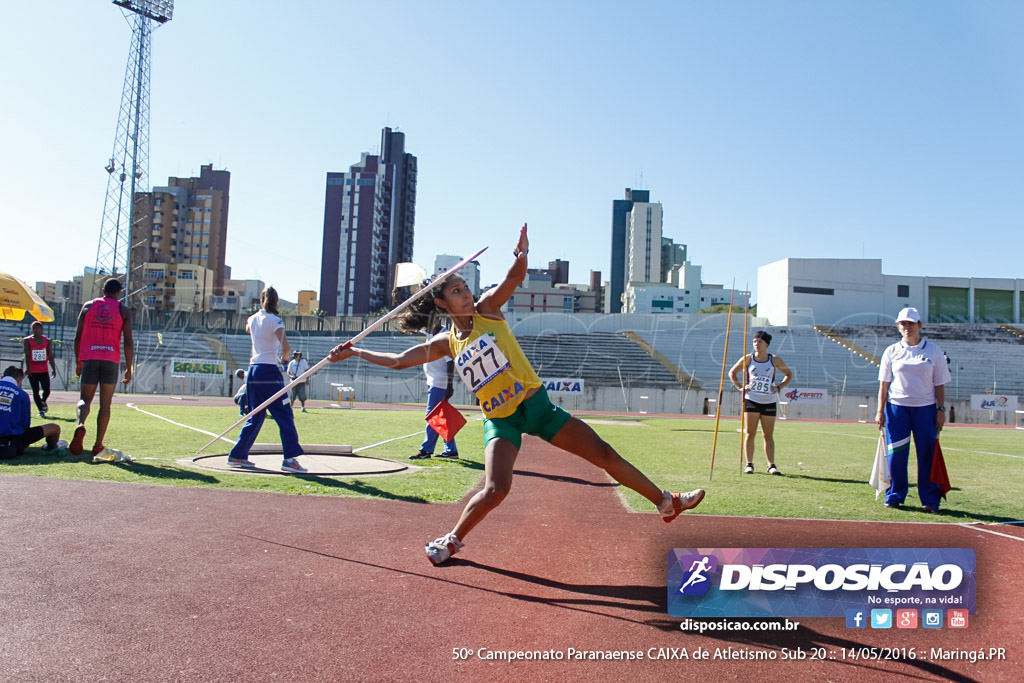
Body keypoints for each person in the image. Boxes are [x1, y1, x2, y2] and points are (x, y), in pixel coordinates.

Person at [328, 224, 705, 565]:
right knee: (496, 489)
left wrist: (521, 253)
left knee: (604, 453)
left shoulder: (488, 312)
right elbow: (398, 361)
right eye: (457, 291)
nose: (466, 293)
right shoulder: (447, 342)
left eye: (465, 287)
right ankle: (453, 540)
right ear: (441, 302)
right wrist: (356, 351)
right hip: (500, 420)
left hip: (538, 408)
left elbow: (513, 278)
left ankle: (665, 502)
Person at [875, 307, 951, 512]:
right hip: (897, 409)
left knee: (926, 454)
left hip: (925, 409)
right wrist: (880, 411)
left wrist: (941, 409)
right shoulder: (891, 351)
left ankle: (930, 499)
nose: (906, 327)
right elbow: (884, 384)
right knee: (896, 454)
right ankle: (895, 495)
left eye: (910, 323)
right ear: (899, 327)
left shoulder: (933, 350)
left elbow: (940, 383)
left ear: (920, 325)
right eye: (903, 323)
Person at [227, 286, 306, 473]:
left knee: (256, 414)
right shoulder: (275, 321)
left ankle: (237, 455)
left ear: (261, 301)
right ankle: (289, 459)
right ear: (276, 302)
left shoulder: (253, 319)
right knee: (284, 414)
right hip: (269, 372)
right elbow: (286, 347)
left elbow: (249, 329)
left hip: (253, 370)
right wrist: (285, 359)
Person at [71, 278, 134, 458]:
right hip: (110, 360)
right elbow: (128, 342)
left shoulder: (88, 306)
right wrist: (128, 368)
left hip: (90, 357)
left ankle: (80, 424)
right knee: (105, 403)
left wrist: (79, 361)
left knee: (85, 399)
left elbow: (77, 337)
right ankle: (98, 444)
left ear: (103, 290)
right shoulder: (123, 310)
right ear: (119, 292)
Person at [728, 330, 793, 475]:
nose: (757, 344)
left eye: (760, 342)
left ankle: (771, 465)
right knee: (750, 433)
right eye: (755, 341)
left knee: (767, 435)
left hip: (769, 401)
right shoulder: (748, 359)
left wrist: (778, 387)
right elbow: (732, 373)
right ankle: (749, 464)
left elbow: (789, 375)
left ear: (766, 344)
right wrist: (740, 387)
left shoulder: (774, 360)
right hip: (751, 400)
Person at [411, 321, 458, 460]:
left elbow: (450, 362)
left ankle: (426, 450)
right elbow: (414, 326)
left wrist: (450, 385)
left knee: (432, 416)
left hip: (440, 382)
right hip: (432, 381)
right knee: (441, 417)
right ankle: (451, 450)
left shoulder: (444, 336)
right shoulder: (431, 332)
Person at [0, 366, 65, 459]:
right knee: (54, 428)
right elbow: (24, 425)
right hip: (12, 441)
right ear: (19, 379)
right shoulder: (21, 394)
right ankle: (52, 447)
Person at [22, 321, 56, 417]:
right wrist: (28, 368)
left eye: (38, 328)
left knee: (47, 390)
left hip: (43, 370)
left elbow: (50, 355)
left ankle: (43, 401)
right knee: (35, 391)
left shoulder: (47, 341)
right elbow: (27, 355)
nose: (36, 330)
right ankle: (41, 410)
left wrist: (53, 368)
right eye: (34, 328)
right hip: (33, 370)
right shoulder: (27, 340)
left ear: (41, 329)